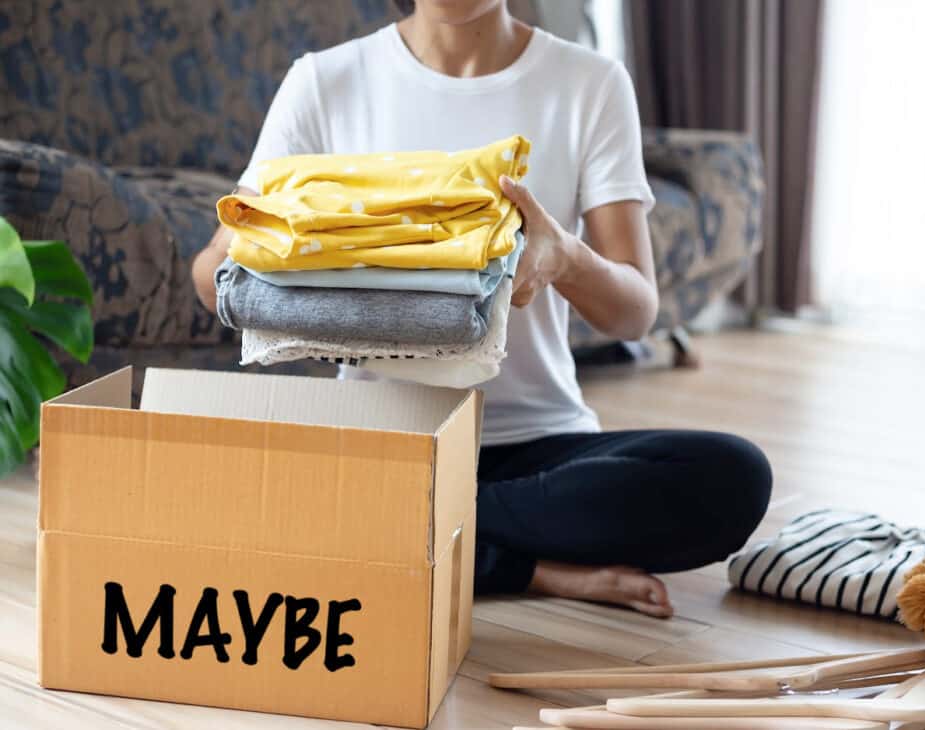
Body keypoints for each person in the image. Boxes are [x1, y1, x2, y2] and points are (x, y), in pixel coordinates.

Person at [192, 0, 772, 618]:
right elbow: (213, 277)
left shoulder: (589, 83)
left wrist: (566, 258)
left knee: (733, 476)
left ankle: (387, 525)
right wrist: (282, 237)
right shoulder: (325, 81)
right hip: (394, 441)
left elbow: (635, 314)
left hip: (542, 448)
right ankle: (522, 566)